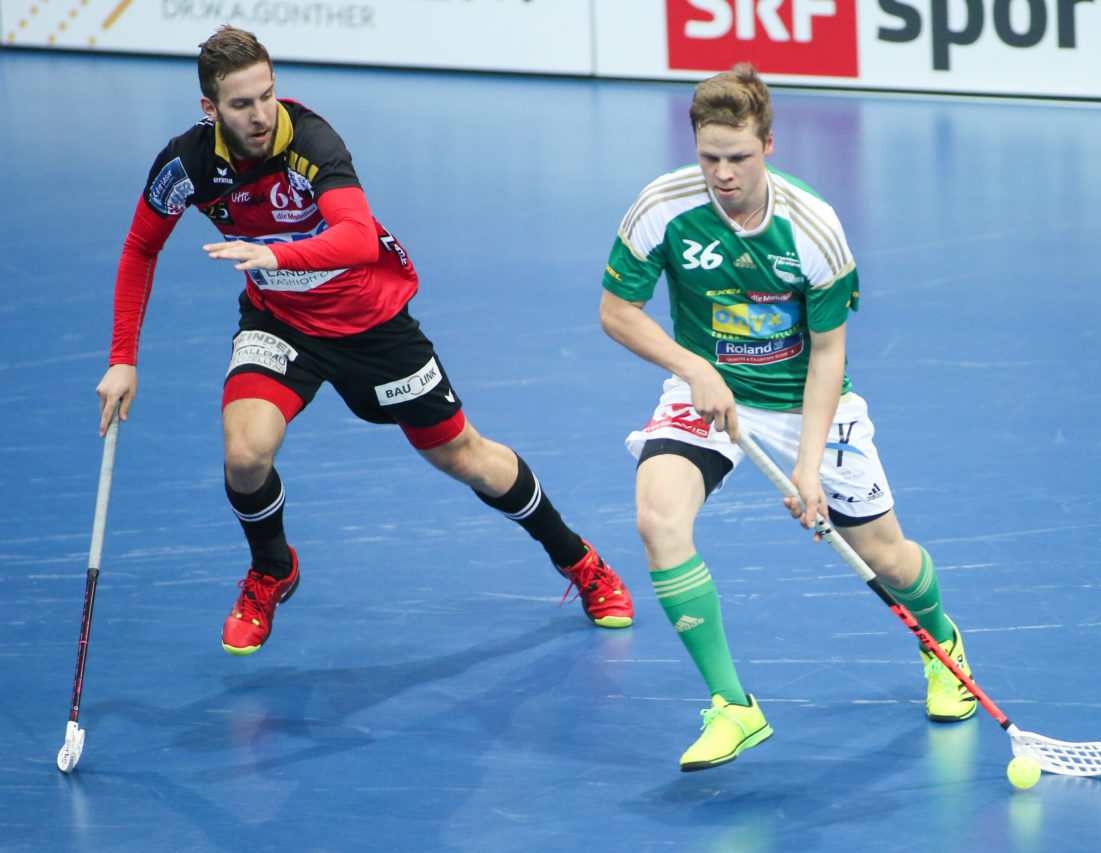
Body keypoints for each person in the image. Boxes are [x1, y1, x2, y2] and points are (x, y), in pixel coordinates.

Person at [95, 25, 632, 656]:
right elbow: (140, 247)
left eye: (267, 95)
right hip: (280, 323)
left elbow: (355, 238)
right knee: (244, 454)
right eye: (242, 104)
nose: (261, 114)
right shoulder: (186, 165)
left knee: (463, 456)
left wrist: (273, 255)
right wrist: (123, 359)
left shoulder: (310, 141)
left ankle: (578, 559)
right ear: (210, 109)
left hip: (372, 324)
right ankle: (272, 569)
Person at [598, 63, 975, 772]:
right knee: (657, 518)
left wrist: (807, 468)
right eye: (709, 156)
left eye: (738, 157)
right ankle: (733, 705)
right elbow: (617, 312)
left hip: (805, 401)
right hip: (707, 390)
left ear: (768, 144)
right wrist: (693, 368)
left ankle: (942, 643)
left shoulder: (813, 228)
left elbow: (829, 354)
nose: (723, 173)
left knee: (887, 556)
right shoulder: (662, 206)